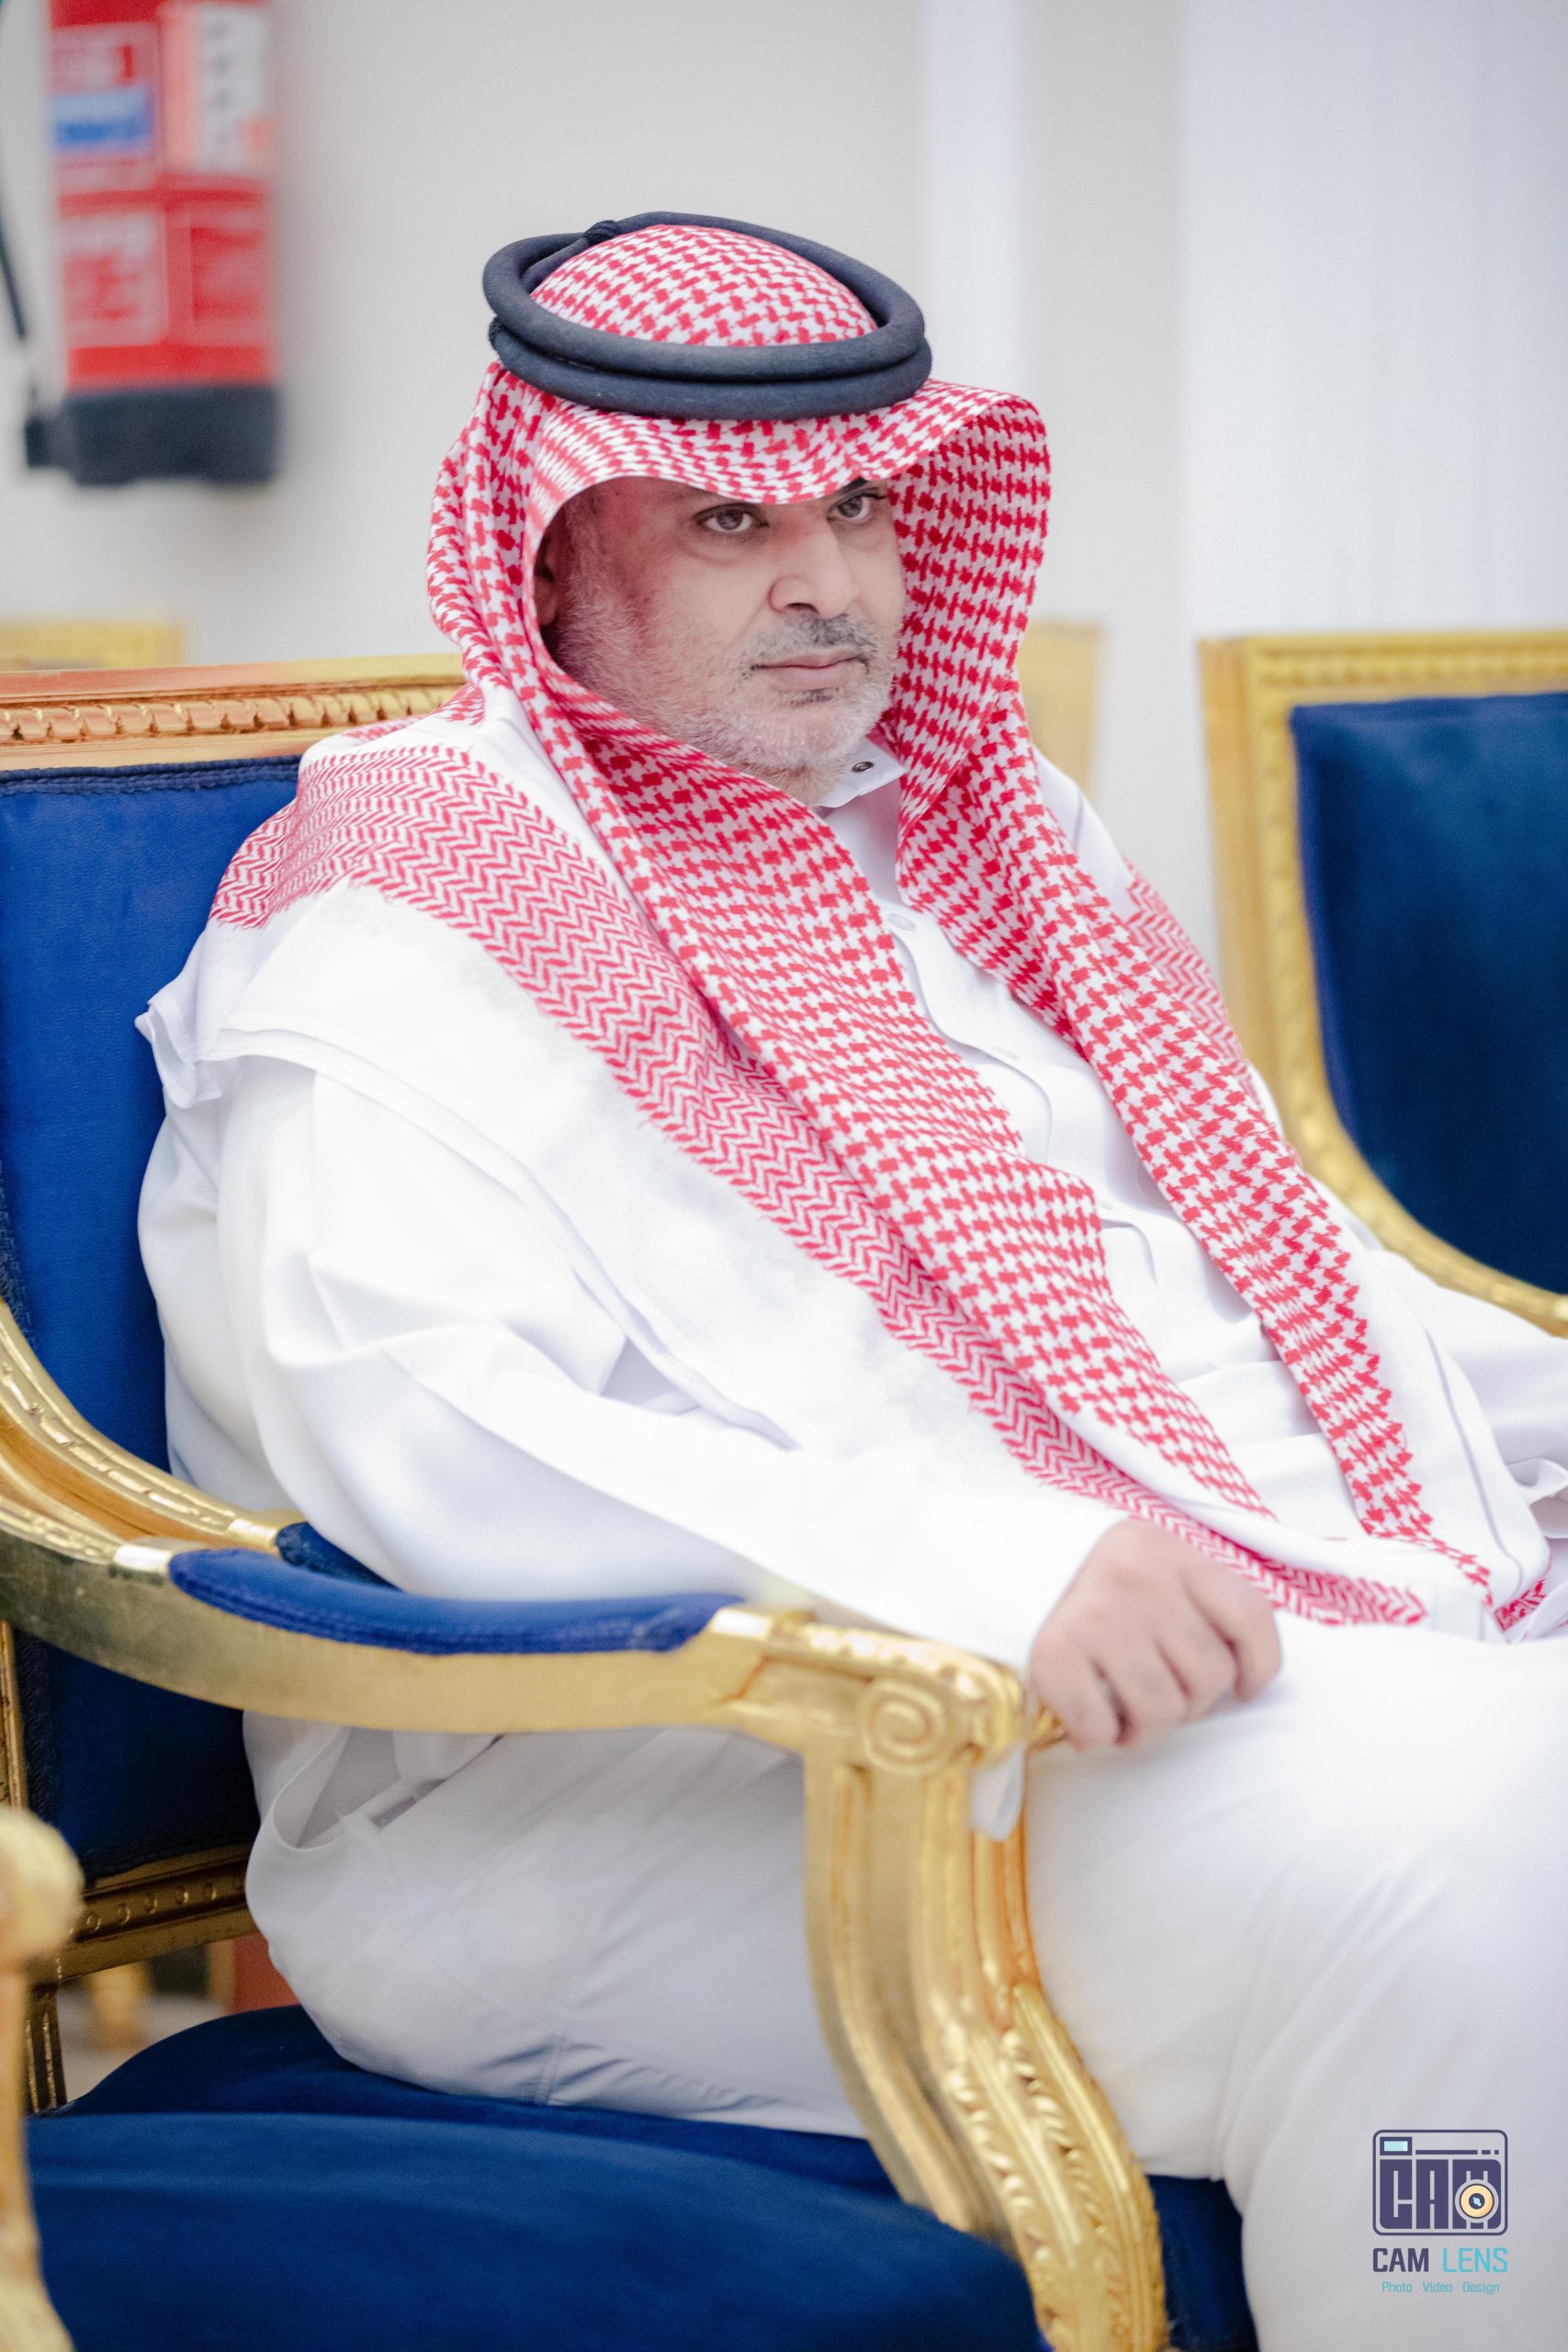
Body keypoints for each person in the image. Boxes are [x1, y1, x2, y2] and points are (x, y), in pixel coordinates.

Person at [137, 214, 1568, 2350]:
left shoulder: (961, 833)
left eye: (862, 506)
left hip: (1093, 1684)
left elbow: (1238, 1266)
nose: (829, 581)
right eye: (731, 521)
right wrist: (986, 1567)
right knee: (1463, 1843)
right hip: (612, 1796)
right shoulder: (409, 900)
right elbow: (422, 1426)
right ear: (552, 554)